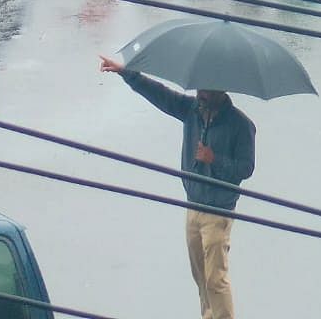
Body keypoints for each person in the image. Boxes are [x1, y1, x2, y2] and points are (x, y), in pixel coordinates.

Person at [97, 57, 255, 319]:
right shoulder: (191, 110)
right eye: (199, 90)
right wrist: (127, 73)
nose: (200, 94)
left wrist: (213, 159)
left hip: (219, 212)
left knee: (216, 279)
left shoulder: (241, 125)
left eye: (206, 91)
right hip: (192, 206)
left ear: (220, 92)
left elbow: (245, 169)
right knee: (201, 276)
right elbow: (161, 95)